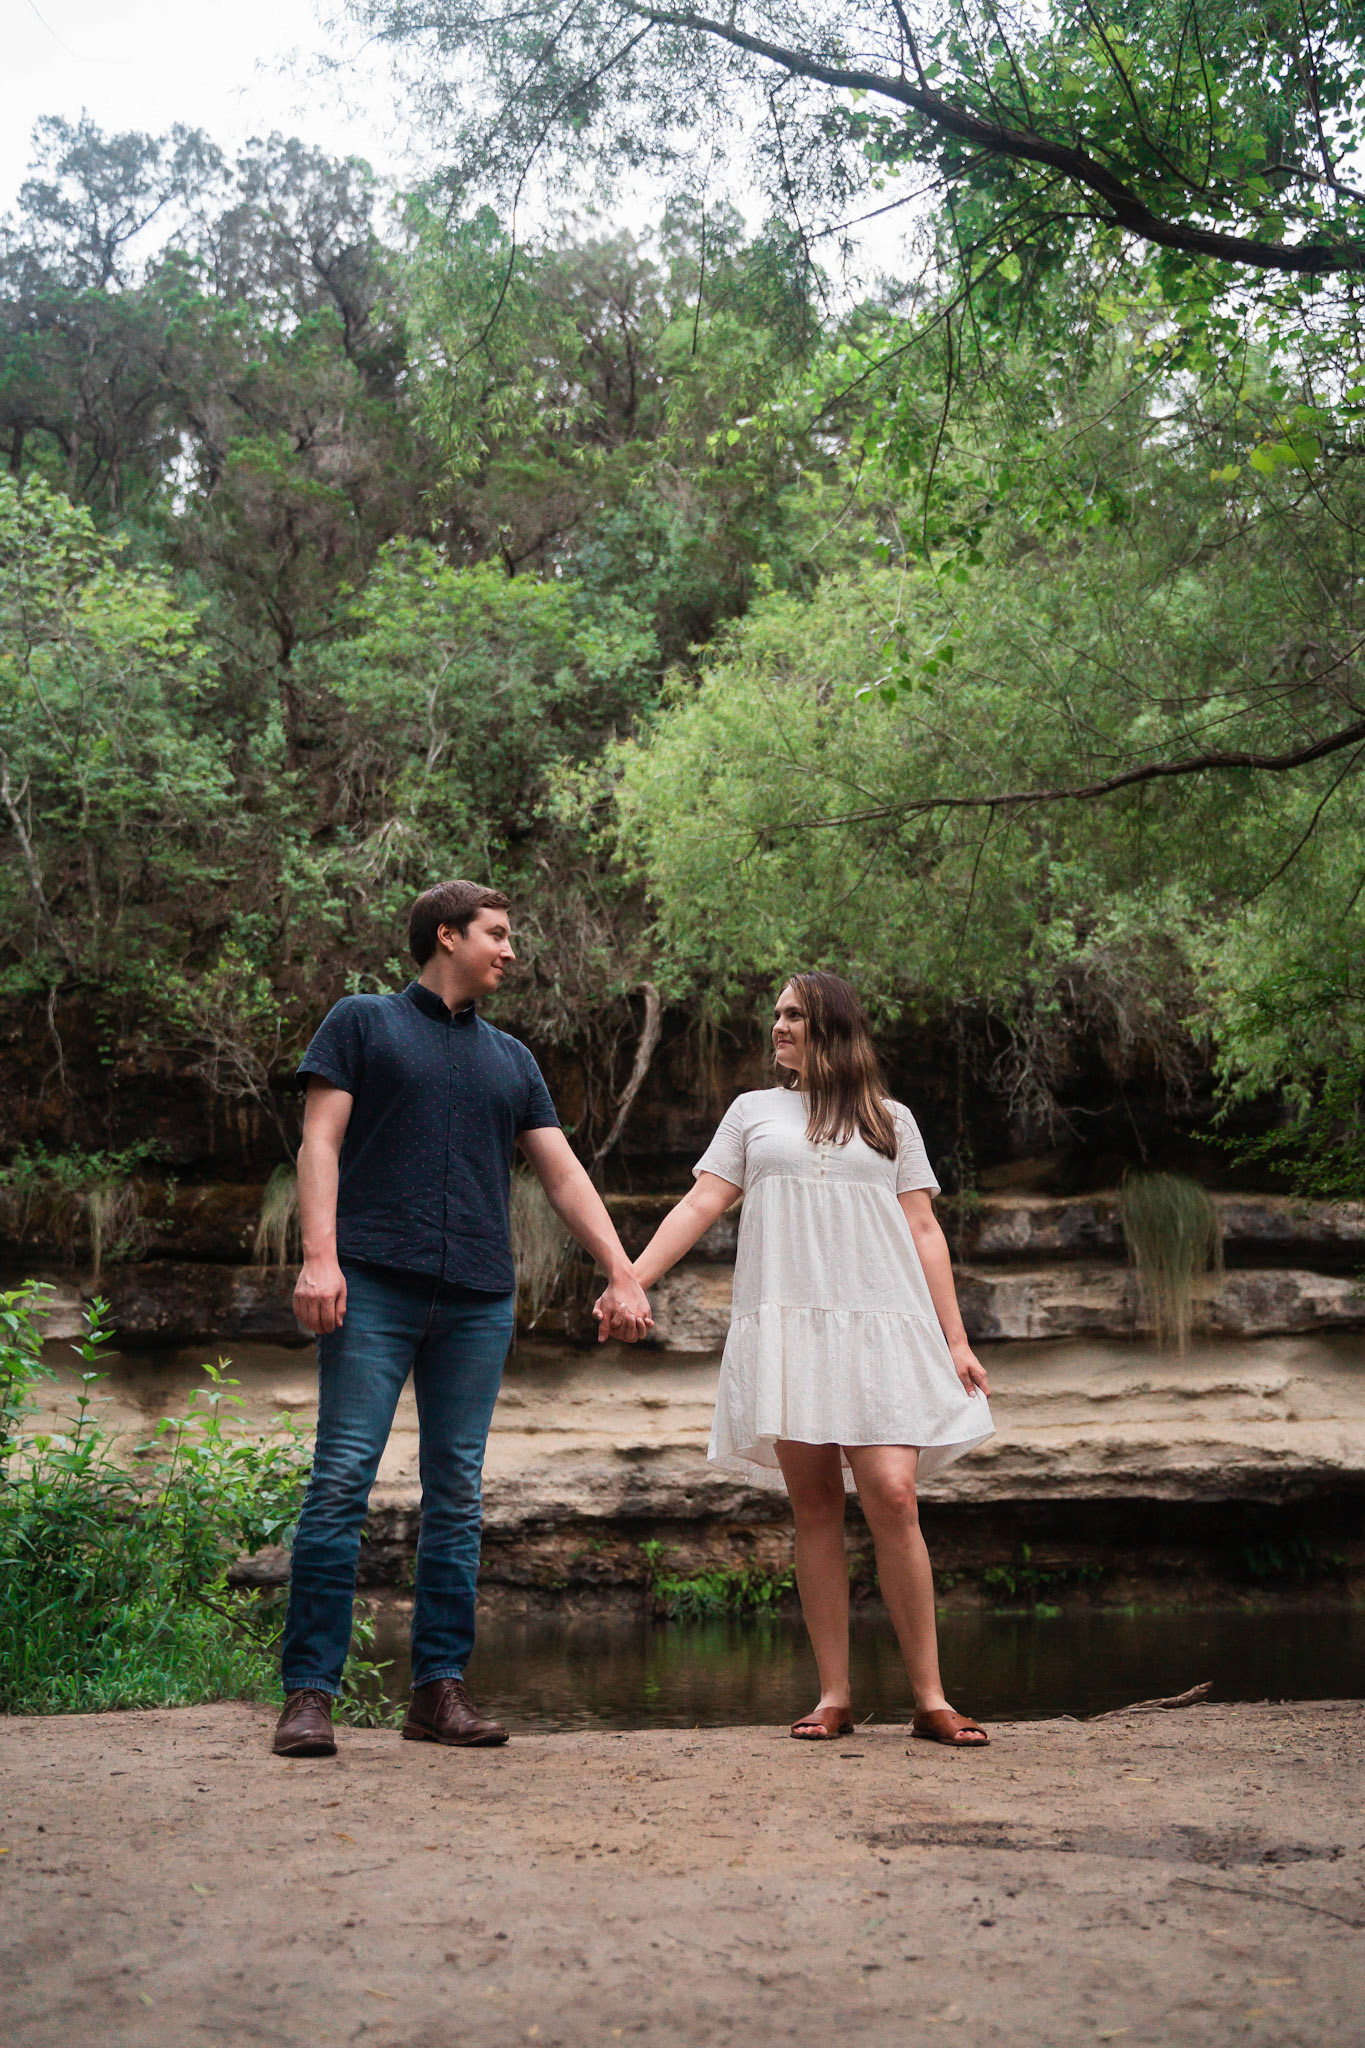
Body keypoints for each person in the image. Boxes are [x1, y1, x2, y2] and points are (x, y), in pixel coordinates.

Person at [273, 879, 652, 1758]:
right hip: (372, 1284)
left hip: (478, 1297)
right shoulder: (362, 1022)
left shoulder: (511, 1059)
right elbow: (319, 1141)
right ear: (447, 935)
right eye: (497, 934)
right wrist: (320, 1258)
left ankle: (437, 1692)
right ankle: (309, 1694)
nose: (510, 951)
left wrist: (622, 1270)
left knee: (457, 1494)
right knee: (341, 1480)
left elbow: (562, 1174)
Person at [605, 972, 994, 1747]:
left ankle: (930, 1699)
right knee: (814, 1506)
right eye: (776, 1014)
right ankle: (833, 1696)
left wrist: (955, 1339)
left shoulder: (890, 1120)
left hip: (882, 1327)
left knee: (893, 1495)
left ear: (833, 1027)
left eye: (794, 1015)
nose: (778, 1026)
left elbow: (923, 1230)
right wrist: (630, 1277)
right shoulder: (752, 1112)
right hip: (789, 1330)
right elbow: (701, 1202)